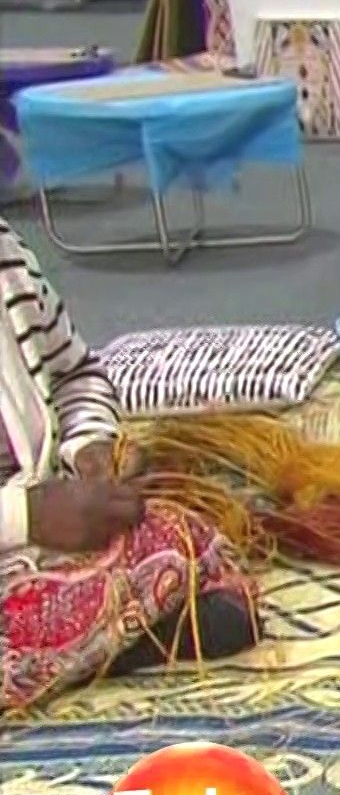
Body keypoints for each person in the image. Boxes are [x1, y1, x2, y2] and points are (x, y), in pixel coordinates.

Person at [0, 215, 258, 714]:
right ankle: (121, 644)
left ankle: (98, 642)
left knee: (176, 535)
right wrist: (26, 515)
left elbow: (75, 374)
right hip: (20, 526)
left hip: (27, 537)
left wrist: (90, 447)